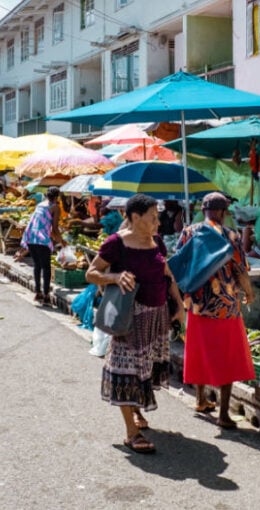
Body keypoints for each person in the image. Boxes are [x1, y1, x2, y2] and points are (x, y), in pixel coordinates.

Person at [85, 194, 185, 454]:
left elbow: (167, 274)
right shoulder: (116, 244)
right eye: (152, 217)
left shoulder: (157, 243)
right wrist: (116, 276)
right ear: (134, 217)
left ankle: (136, 411)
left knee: (144, 369)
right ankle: (132, 432)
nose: (157, 222)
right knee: (124, 370)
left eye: (157, 217)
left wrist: (179, 305)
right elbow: (91, 273)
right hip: (129, 319)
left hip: (156, 317)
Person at [177, 192, 256, 428]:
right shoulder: (231, 235)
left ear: (204, 210)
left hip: (197, 305)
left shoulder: (189, 232)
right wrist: (249, 293)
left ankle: (200, 400)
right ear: (222, 212)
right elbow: (241, 270)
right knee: (226, 357)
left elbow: (180, 264)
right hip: (226, 306)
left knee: (200, 351)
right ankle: (223, 415)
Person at [21, 186, 63, 303]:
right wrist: (62, 242)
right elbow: (54, 228)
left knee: (37, 265)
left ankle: (38, 292)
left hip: (31, 237)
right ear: (56, 197)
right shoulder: (55, 207)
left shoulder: (40, 205)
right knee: (46, 267)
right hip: (42, 239)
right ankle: (45, 295)